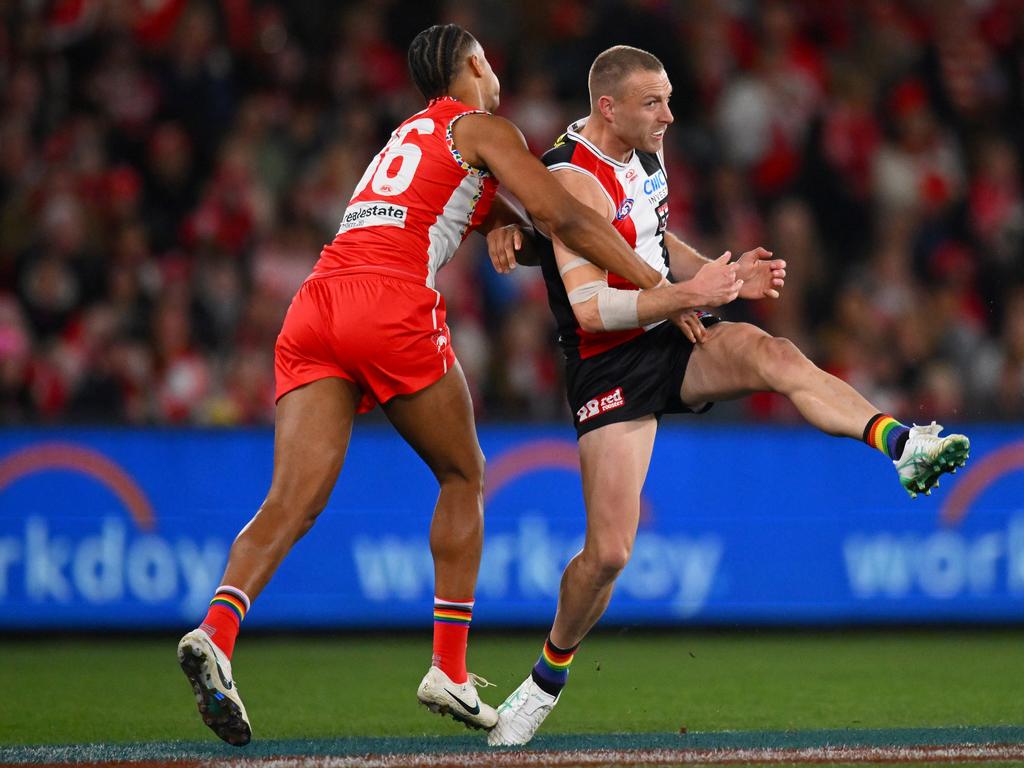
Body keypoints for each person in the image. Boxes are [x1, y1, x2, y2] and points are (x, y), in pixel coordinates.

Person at [174, 26, 743, 747]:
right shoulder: (480, 126)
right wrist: (667, 288)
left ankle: (216, 632)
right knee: (464, 475)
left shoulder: (403, 137)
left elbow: (468, 210)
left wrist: (502, 224)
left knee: (291, 499)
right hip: (389, 302)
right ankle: (447, 666)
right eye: (488, 59)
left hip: (316, 303)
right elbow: (564, 214)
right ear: (473, 64)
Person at [484, 45, 971, 747]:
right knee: (611, 554)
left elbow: (652, 238)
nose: (670, 115)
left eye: (671, 99)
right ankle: (546, 678)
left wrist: (719, 274)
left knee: (773, 354)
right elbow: (592, 309)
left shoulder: (645, 154)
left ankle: (901, 443)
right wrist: (688, 294)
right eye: (655, 103)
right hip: (608, 362)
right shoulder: (571, 178)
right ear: (608, 107)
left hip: (671, 331)